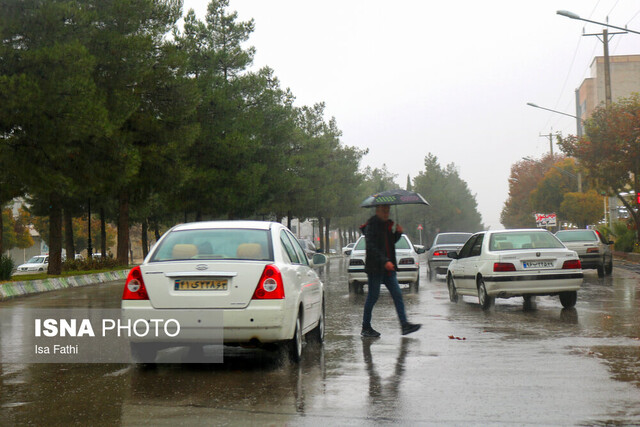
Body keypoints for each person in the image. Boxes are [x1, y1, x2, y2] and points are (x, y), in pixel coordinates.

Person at [361, 204, 422, 337]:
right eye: (383, 210)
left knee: (397, 294)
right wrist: (385, 261)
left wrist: (398, 233)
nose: (386, 213)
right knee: (373, 296)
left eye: (388, 210)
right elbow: (372, 247)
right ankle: (366, 327)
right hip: (376, 268)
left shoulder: (387, 225)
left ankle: (404, 325)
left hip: (388, 269)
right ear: (377, 211)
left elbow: (389, 242)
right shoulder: (372, 225)